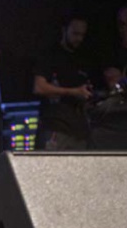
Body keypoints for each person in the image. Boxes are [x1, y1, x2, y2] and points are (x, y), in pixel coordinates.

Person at [32, 14, 94, 150]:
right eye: (75, 33)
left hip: (79, 129)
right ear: (64, 30)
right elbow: (39, 87)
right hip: (55, 126)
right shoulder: (50, 55)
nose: (79, 39)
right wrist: (74, 92)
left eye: (82, 35)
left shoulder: (83, 58)